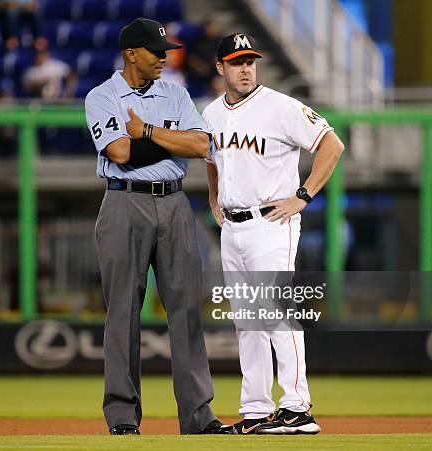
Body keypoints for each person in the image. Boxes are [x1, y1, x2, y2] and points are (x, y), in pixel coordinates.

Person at [84, 17, 232, 436]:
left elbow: (203, 145)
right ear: (131, 54)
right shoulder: (103, 96)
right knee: (123, 314)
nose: (165, 57)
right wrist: (170, 139)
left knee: (186, 311)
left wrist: (147, 131)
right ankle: (123, 417)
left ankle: (199, 418)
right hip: (123, 201)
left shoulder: (176, 92)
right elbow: (119, 151)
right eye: (156, 51)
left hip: (174, 203)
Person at [203, 33, 345, 435]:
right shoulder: (212, 114)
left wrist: (303, 195)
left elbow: (332, 145)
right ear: (220, 68)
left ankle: (298, 408)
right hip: (233, 226)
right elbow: (212, 158)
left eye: (250, 61)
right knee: (248, 322)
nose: (246, 68)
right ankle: (257, 410)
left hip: (272, 223)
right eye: (236, 62)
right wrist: (215, 198)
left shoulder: (281, 107)